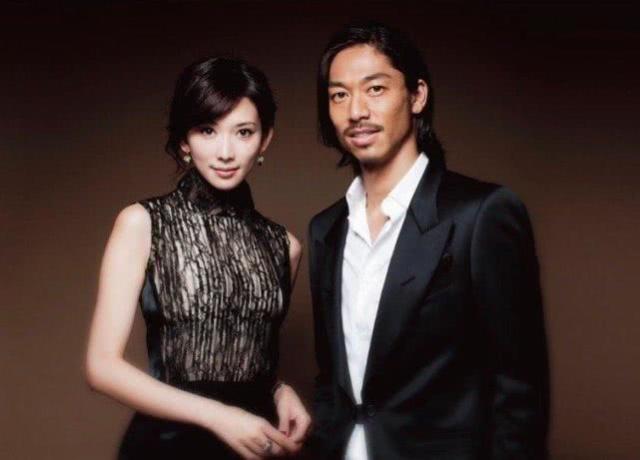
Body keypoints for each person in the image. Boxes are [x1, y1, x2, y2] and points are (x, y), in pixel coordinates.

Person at [307, 22, 550, 459]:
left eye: (375, 89)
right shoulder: (326, 229)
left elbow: (519, 391)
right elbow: (333, 379)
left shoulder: (481, 214)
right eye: (339, 95)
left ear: (417, 95)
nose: (355, 110)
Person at [85, 56, 311, 459]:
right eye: (208, 130)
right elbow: (101, 366)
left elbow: (247, 357)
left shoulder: (284, 246)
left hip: (254, 445)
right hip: (168, 446)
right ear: (184, 141)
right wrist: (219, 417)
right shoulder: (143, 223)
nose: (225, 152)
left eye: (243, 132)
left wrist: (278, 389)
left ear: (265, 140)